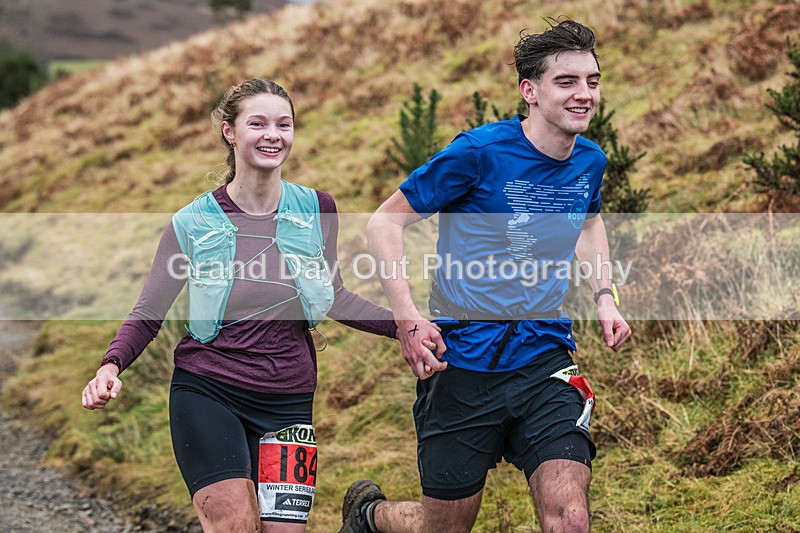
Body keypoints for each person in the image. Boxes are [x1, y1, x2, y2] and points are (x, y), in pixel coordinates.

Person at [81, 78, 413, 533]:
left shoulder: (318, 208)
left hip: (289, 398)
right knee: (235, 526)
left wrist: (409, 325)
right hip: (208, 390)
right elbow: (148, 312)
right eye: (257, 123)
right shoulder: (192, 222)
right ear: (229, 131)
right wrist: (111, 366)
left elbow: (333, 294)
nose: (272, 134)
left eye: (284, 124)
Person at [339, 19, 632, 533]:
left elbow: (588, 221)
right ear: (531, 91)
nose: (584, 94)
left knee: (571, 517)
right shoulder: (479, 153)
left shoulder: (590, 160)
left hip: (544, 358)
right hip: (463, 363)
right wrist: (406, 318)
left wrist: (604, 296)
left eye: (592, 80)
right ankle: (371, 517)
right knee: (443, 527)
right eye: (566, 82)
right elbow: (385, 222)